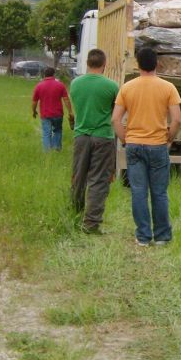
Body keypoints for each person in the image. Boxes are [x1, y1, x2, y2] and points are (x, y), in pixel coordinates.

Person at [112, 47, 181, 247]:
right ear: (157, 63)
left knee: (138, 191)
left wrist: (125, 139)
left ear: (137, 64)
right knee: (159, 192)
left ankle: (143, 236)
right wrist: (169, 138)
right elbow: (176, 119)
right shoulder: (168, 88)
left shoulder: (127, 88)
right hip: (158, 145)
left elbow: (115, 119)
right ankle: (162, 236)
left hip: (134, 145)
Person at [69, 49, 119, 235]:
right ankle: (91, 223)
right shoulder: (112, 86)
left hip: (81, 136)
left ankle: (75, 213)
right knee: (98, 180)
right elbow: (115, 112)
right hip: (103, 136)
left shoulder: (75, 84)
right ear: (104, 64)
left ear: (87, 63)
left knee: (78, 176)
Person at [32, 67, 73, 151]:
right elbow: (66, 100)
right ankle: (57, 148)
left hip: (45, 114)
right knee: (58, 130)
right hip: (58, 114)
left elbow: (34, 101)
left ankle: (47, 151)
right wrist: (70, 112)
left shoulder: (39, 86)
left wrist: (34, 111)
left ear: (44, 75)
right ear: (54, 74)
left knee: (47, 133)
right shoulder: (60, 85)